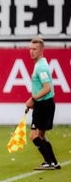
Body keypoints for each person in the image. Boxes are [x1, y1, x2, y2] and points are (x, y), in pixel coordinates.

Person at [25, 37, 60, 170]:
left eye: (35, 49)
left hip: (44, 105)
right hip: (44, 103)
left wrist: (33, 99)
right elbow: (44, 88)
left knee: (34, 136)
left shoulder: (41, 67)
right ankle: (53, 163)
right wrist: (34, 101)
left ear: (41, 51)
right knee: (40, 135)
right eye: (30, 49)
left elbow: (47, 88)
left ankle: (49, 162)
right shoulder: (40, 64)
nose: (31, 52)